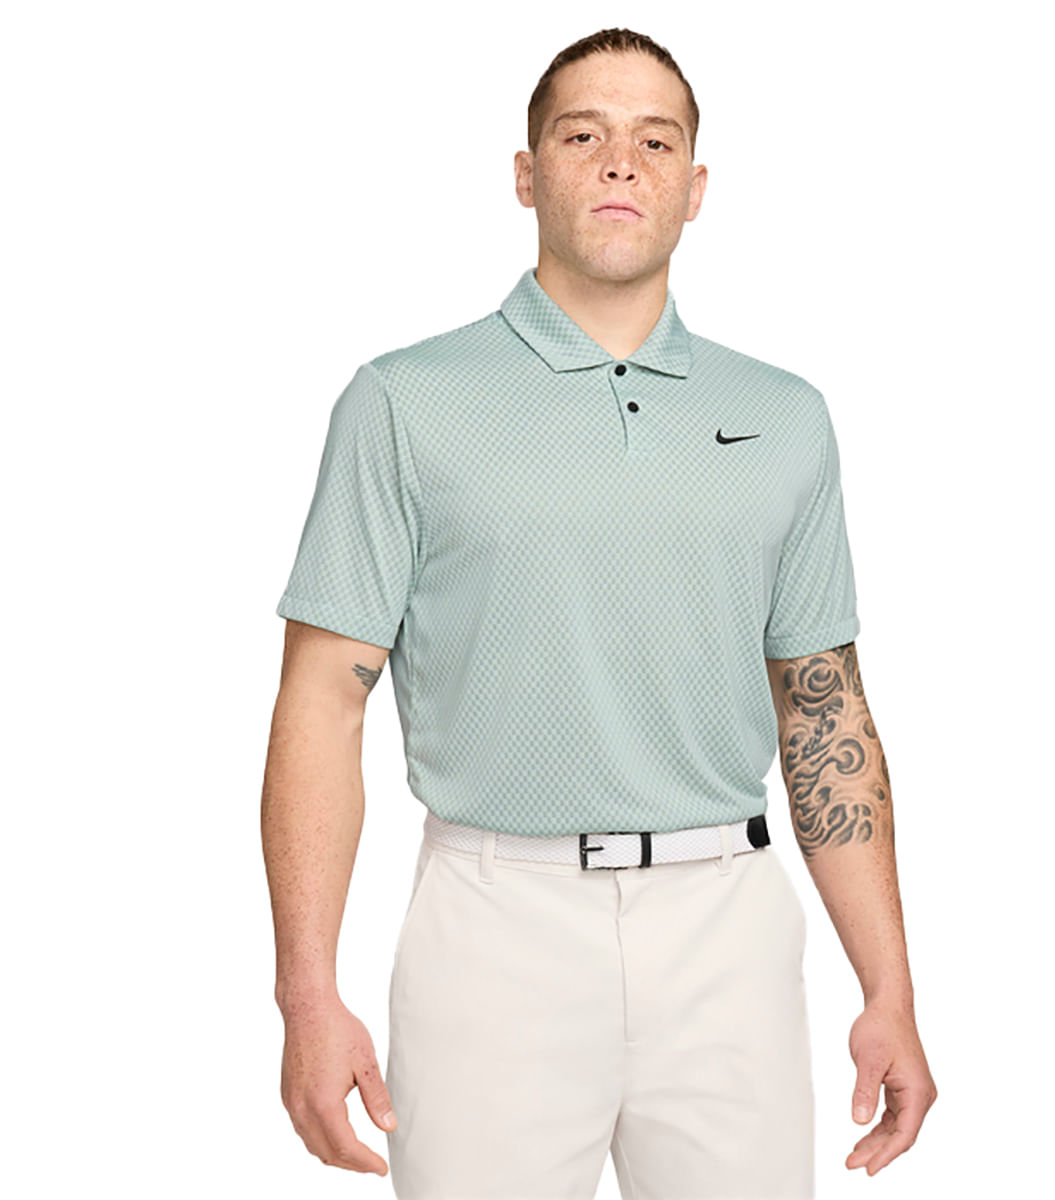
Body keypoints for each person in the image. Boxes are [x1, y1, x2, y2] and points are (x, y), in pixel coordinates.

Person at [262, 26, 936, 1200]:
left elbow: (824, 709)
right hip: (491, 924)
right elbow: (322, 701)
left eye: (655, 141)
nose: (622, 160)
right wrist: (307, 996)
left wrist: (891, 989)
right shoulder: (404, 404)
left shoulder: (786, 418)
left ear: (695, 188)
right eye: (584, 135)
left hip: (728, 926)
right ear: (527, 175)